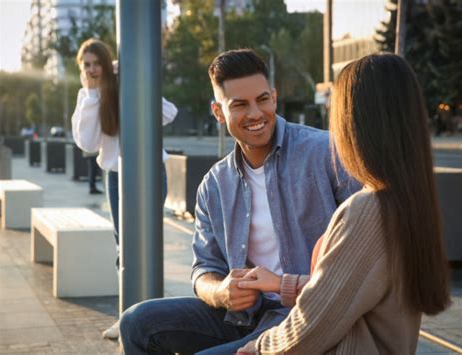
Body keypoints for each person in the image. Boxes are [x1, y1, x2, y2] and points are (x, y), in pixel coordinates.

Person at [119, 49, 360, 354]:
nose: (256, 113)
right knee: (137, 323)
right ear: (219, 113)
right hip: (244, 316)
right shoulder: (214, 184)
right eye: (240, 105)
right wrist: (220, 292)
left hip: (309, 313)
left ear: (274, 97)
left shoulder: (327, 153)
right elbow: (204, 268)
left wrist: (284, 283)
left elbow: (362, 256)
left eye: (262, 99)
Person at [236, 53, 451, 354]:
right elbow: (352, 288)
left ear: (355, 126)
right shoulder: (409, 201)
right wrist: (283, 284)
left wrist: (257, 348)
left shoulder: (368, 210)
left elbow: (310, 328)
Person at [71, 38, 178, 340]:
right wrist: (93, 93)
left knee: (146, 245)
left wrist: (133, 80)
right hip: (117, 176)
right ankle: (128, 318)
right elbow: (87, 143)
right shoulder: (89, 96)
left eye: (96, 63)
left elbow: (169, 113)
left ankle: (152, 318)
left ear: (106, 62)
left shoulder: (126, 83)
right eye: (86, 65)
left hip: (149, 171)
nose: (92, 70)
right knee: (125, 249)